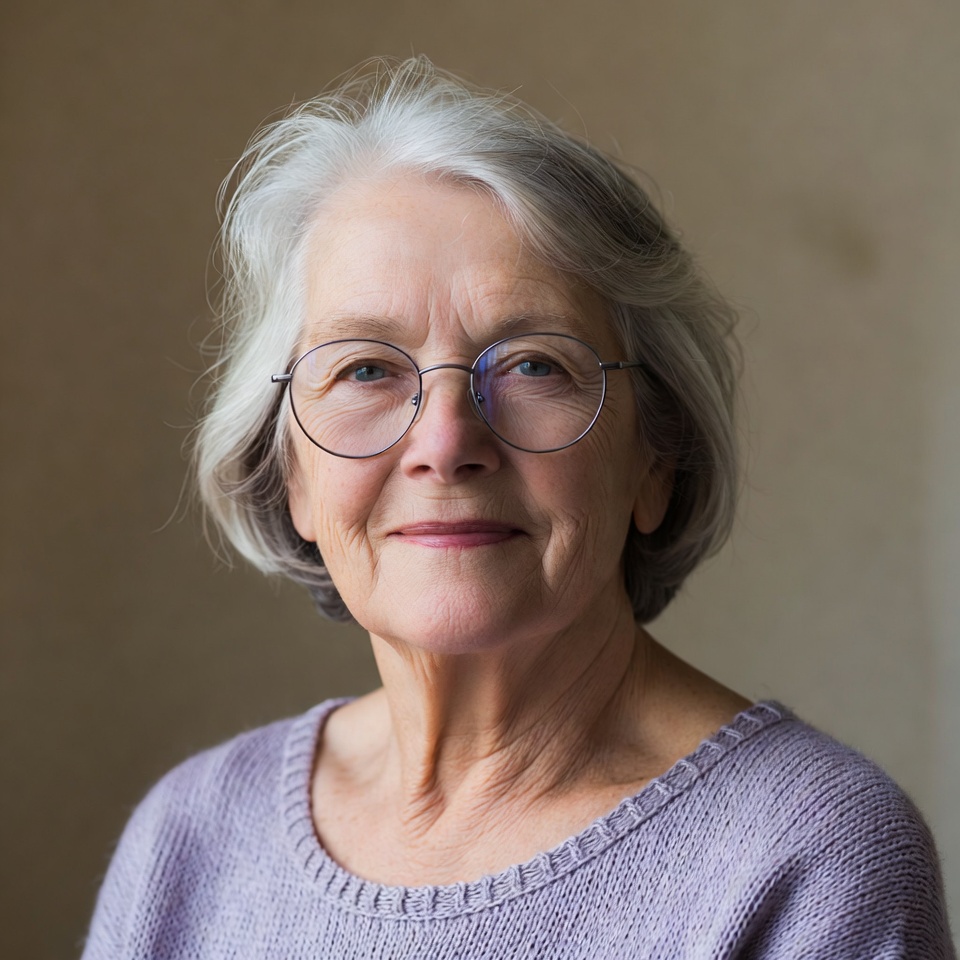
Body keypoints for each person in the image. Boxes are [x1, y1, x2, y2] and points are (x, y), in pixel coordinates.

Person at [81, 57, 953, 958]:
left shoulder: (806, 858)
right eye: (366, 369)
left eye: (536, 364)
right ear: (291, 472)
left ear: (655, 459)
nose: (446, 440)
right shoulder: (191, 837)